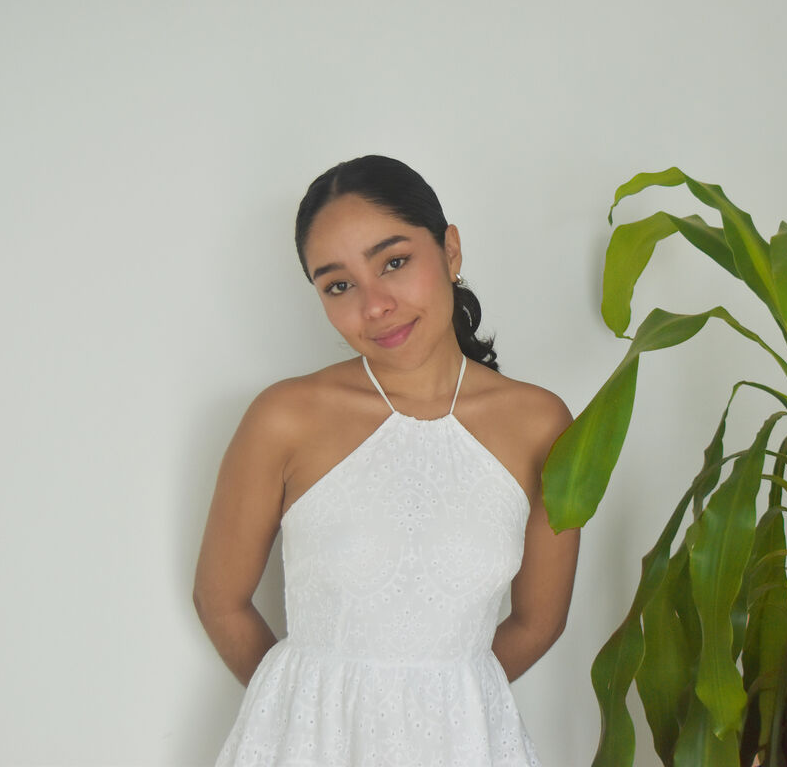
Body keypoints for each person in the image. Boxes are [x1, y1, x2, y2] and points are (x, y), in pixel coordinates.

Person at [193, 155, 580, 766]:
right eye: (338, 285)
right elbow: (221, 601)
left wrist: (434, 715)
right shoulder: (284, 418)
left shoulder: (540, 425)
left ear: (450, 250)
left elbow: (539, 622)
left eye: (393, 262)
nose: (374, 305)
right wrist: (302, 717)